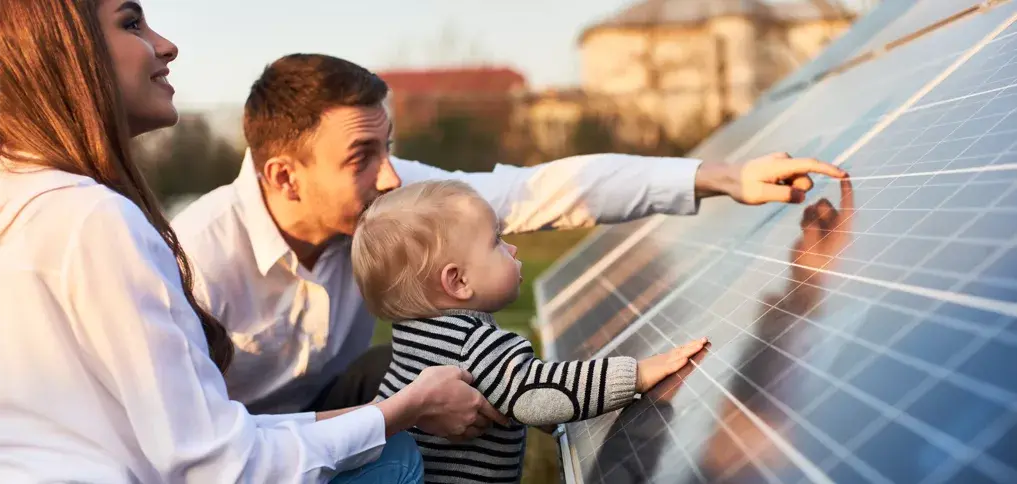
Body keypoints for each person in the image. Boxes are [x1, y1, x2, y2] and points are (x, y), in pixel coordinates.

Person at [171, 53, 848, 418]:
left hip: (331, 410)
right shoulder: (193, 262)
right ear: (285, 178)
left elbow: (535, 191)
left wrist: (721, 176)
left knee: (452, 369)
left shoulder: (388, 195)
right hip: (235, 456)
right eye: (360, 159)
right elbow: (187, 450)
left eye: (389, 148)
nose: (388, 180)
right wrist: (394, 418)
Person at [0, 1, 506, 483]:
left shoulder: (31, 201)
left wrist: (394, 409)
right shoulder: (96, 220)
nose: (167, 45)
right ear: (63, 51)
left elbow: (192, 444)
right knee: (392, 458)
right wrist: (404, 413)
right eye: (131, 23)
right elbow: (220, 469)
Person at [349, 179, 710, 483]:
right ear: (458, 281)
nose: (512, 247)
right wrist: (637, 374)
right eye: (496, 241)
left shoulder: (414, 337)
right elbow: (536, 392)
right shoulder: (474, 344)